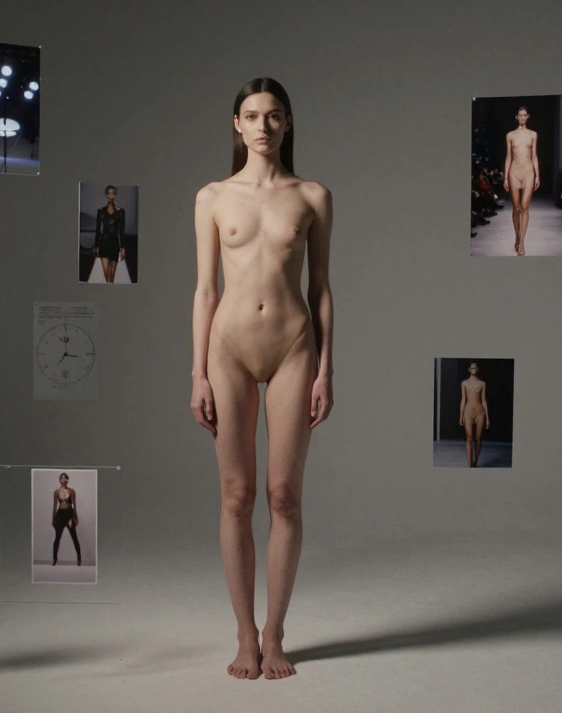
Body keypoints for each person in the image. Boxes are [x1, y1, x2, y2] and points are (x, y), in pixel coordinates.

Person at [190, 77, 334, 681]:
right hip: (228, 352)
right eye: (252, 115)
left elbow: (320, 288)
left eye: (274, 116)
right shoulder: (212, 197)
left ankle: (276, 634)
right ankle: (244, 635)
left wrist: (327, 366)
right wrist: (196, 371)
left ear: (289, 123)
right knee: (236, 496)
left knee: (283, 497)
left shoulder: (313, 196)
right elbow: (205, 290)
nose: (263, 126)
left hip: (294, 348)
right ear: (236, 124)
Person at [503, 106, 539, 256]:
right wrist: (505, 176)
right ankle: (517, 236)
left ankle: (522, 241)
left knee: (525, 207)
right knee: (516, 208)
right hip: (514, 173)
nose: (523, 118)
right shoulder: (510, 135)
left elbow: (534, 156)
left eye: (525, 115)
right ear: (516, 117)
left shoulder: (533, 134)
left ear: (528, 116)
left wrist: (538, 175)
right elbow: (509, 157)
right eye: (520, 115)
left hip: (529, 172)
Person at [458, 361, 490, 467]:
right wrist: (461, 416)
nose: (474, 369)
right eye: (472, 368)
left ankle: (475, 462)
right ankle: (469, 465)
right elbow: (463, 400)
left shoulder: (482, 383)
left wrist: (488, 418)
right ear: (469, 369)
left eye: (475, 368)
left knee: (478, 439)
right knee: (469, 438)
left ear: (477, 369)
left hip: (480, 412)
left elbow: (484, 400)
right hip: (468, 412)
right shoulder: (464, 383)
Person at [93, 185, 126, 283]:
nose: (111, 196)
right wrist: (96, 246)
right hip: (103, 243)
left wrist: (123, 247)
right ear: (106, 195)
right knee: (106, 272)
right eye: (109, 193)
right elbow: (98, 230)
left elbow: (122, 231)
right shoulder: (101, 211)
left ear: (115, 195)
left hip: (115, 244)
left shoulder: (121, 211)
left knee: (112, 275)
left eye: (113, 193)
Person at [51, 472, 81, 566]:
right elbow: (55, 505)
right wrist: (53, 518)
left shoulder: (71, 491)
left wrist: (75, 517)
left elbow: (74, 505)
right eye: (61, 478)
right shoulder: (56, 492)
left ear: (67, 480)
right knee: (57, 538)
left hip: (69, 515)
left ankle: (79, 558)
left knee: (74, 537)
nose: (63, 479)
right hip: (60, 515)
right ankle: (55, 559)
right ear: (59, 480)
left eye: (64, 478)